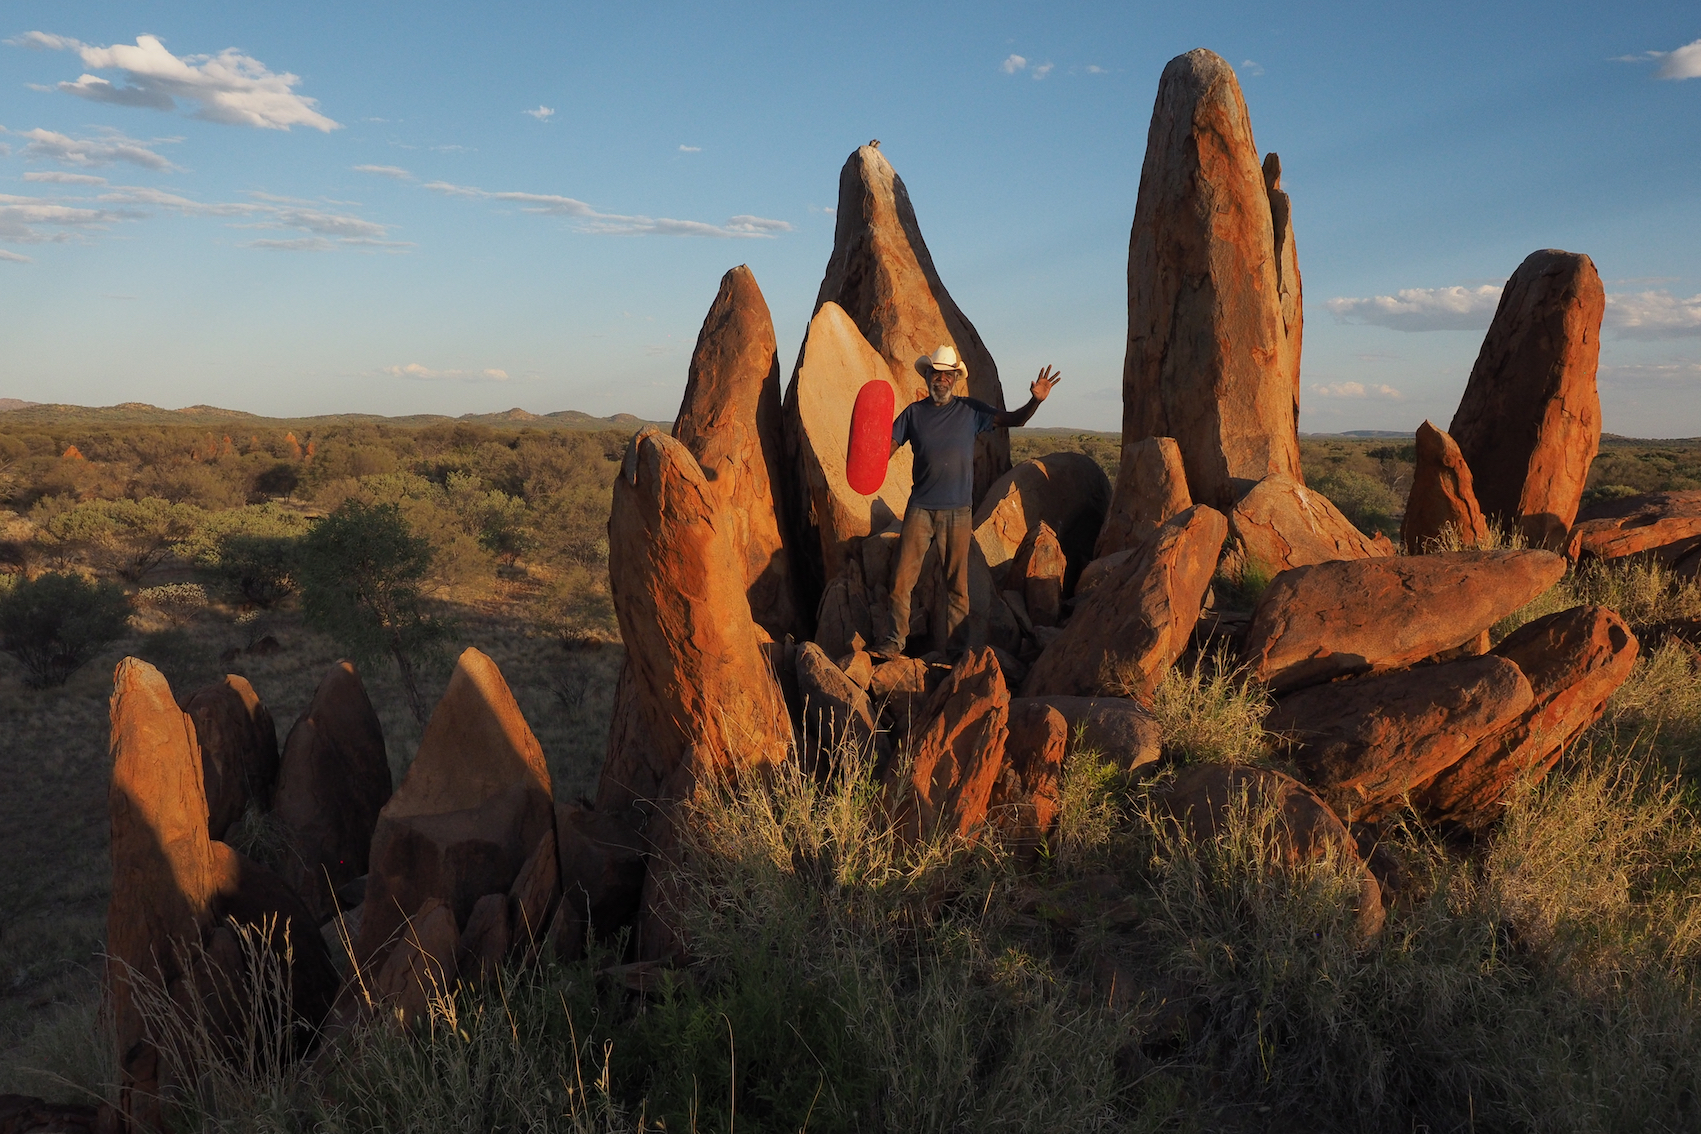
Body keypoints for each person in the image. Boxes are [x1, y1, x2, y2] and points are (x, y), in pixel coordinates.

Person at [873, 345, 1060, 658]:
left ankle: (958, 652)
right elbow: (883, 452)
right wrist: (864, 454)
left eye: (948, 375)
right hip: (920, 508)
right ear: (928, 375)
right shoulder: (914, 414)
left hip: (957, 512)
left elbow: (1014, 419)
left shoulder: (971, 411)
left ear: (955, 379)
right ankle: (894, 642)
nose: (942, 380)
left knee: (957, 588)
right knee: (901, 580)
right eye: (937, 373)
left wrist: (1034, 402)